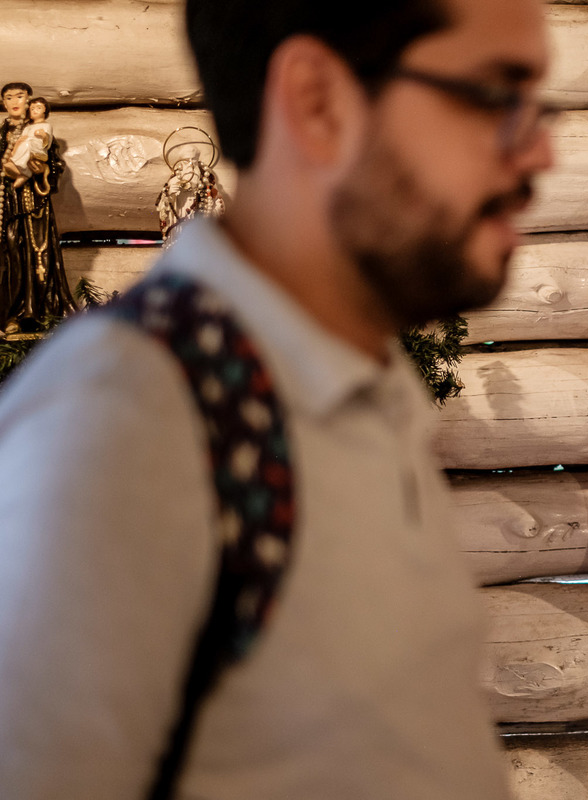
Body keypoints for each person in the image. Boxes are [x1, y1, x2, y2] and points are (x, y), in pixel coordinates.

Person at [0, 0, 553, 797]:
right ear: (319, 103)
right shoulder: (132, 421)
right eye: (496, 96)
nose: (539, 151)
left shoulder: (360, 387)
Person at [0, 84, 73, 333]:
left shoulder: (40, 130)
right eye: (8, 97)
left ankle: (36, 311)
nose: (14, 101)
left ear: (29, 100)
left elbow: (54, 164)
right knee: (11, 252)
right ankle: (11, 313)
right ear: (3, 102)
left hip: (34, 202)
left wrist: (43, 172)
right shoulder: (2, 133)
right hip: (7, 203)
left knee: (37, 252)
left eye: (20, 96)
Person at [4, 96, 52, 189]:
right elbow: (22, 138)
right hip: (26, 146)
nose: (35, 110)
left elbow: (48, 141)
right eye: (32, 109)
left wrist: (44, 136)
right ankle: (23, 172)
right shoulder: (27, 127)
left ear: (45, 111)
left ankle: (22, 169)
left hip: (38, 149)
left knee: (27, 143)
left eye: (39, 108)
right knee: (24, 143)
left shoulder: (46, 125)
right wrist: (17, 143)